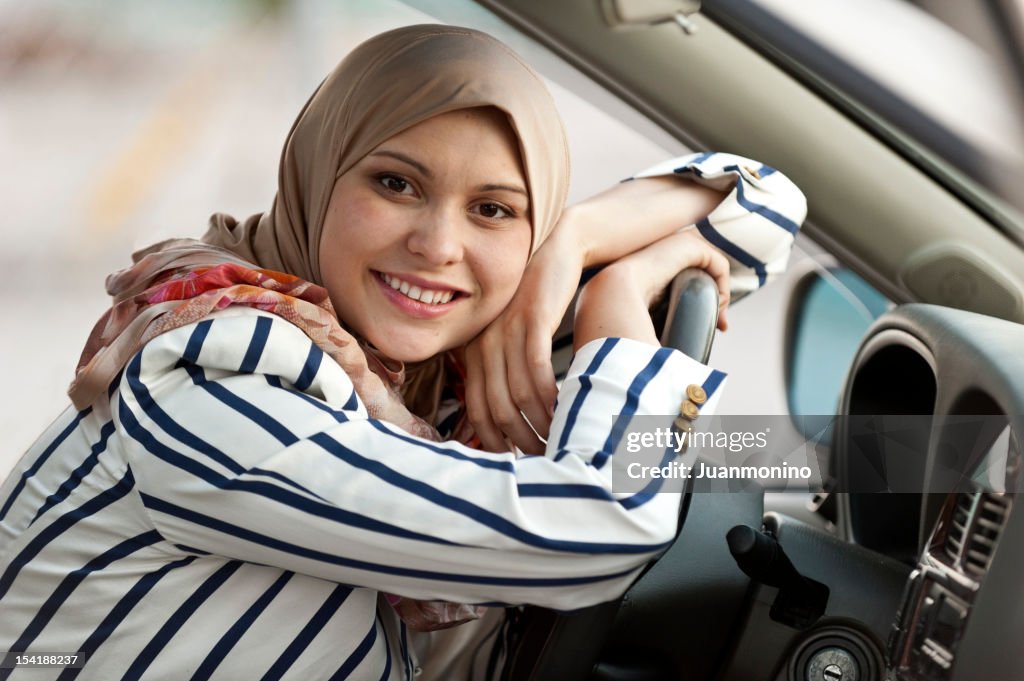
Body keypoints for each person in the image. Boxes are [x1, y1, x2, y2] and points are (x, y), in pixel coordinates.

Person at [0, 24, 805, 681]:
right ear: (319, 173)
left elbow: (769, 205)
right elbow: (602, 527)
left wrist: (574, 241)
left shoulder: (449, 358)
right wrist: (617, 302)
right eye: (396, 184)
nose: (438, 245)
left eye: (494, 209)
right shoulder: (214, 375)